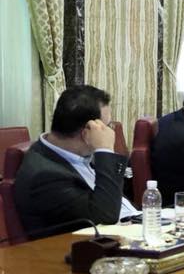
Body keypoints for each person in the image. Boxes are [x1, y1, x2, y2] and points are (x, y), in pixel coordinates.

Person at [14, 85, 137, 239]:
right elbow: (105, 218)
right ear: (87, 133)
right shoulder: (45, 176)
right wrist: (105, 150)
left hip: (134, 224)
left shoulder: (78, 153)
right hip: (94, 246)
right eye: (106, 127)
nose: (110, 132)